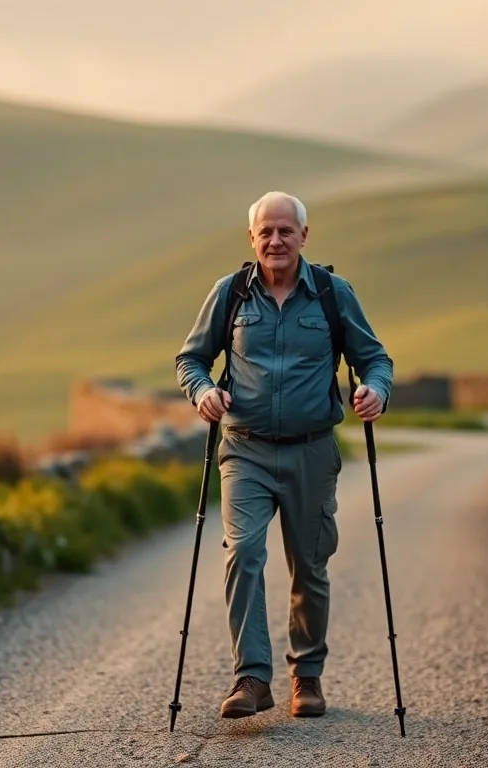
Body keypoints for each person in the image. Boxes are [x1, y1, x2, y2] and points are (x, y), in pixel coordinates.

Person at [174, 190, 394, 719]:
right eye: (265, 232)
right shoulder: (229, 294)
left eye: (285, 231)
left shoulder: (332, 294)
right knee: (243, 553)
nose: (275, 240)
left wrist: (376, 391)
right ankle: (251, 678)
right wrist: (203, 390)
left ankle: (307, 677)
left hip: (312, 453)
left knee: (310, 566)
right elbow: (191, 359)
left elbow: (375, 359)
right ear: (252, 239)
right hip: (244, 451)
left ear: (304, 236)